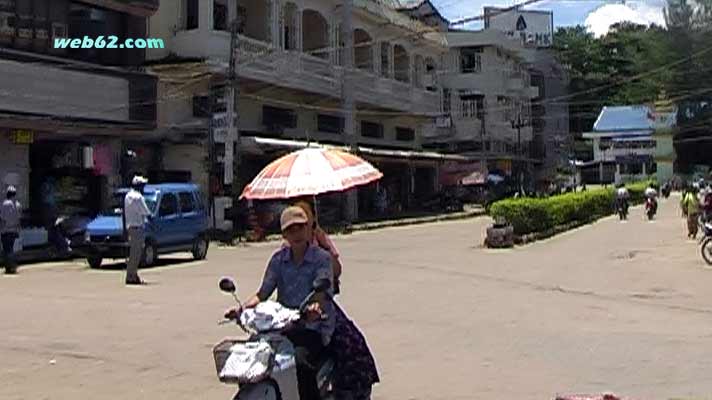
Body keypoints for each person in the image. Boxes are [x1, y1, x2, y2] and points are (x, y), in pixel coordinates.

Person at [229, 206, 335, 400]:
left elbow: (322, 294)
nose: (296, 233)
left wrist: (314, 308)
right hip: (280, 328)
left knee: (301, 363)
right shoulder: (278, 260)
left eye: (300, 227)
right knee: (248, 362)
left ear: (308, 228)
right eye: (290, 229)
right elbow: (262, 294)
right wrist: (241, 309)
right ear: (284, 234)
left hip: (311, 327)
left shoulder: (321, 259)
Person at [291, 200, 343, 294]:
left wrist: (325, 247)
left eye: (305, 214)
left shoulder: (320, 239)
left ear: (313, 218)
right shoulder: (288, 246)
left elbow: (337, 270)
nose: (302, 219)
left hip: (323, 296)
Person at [123, 176, 151, 285]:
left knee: (132, 253)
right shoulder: (139, 197)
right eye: (142, 185)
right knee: (136, 254)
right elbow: (145, 211)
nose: (143, 187)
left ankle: (132, 275)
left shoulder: (127, 196)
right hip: (138, 228)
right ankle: (131, 276)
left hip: (130, 227)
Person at [1, 186, 21, 274]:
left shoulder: (4, 204)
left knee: (7, 250)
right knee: (10, 249)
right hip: (14, 230)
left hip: (5, 230)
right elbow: (19, 218)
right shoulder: (18, 204)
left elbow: (2, 217)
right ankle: (10, 267)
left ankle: (10, 267)